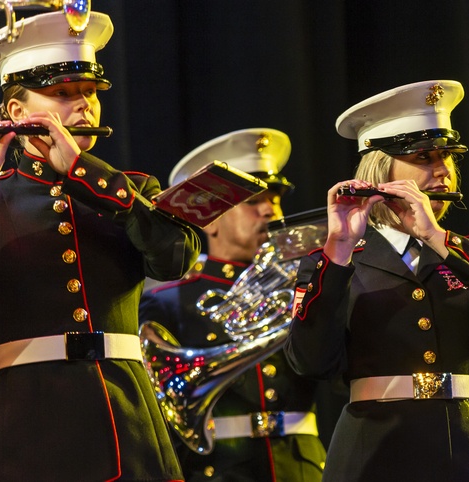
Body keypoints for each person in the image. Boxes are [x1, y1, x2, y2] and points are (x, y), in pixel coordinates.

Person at [0, 10, 201, 480]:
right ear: (18, 113)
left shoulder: (130, 188)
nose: (83, 105)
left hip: (125, 421)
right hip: (22, 428)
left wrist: (88, 176)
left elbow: (175, 259)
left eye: (89, 93)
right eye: (62, 94)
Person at [283, 80, 469, 481]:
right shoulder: (335, 260)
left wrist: (438, 240)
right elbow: (310, 361)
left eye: (447, 157)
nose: (443, 170)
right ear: (380, 171)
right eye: (424, 157)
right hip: (375, 452)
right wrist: (337, 249)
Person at [140, 128, 328, 482]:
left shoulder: (309, 283)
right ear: (210, 218)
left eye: (275, 199)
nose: (270, 210)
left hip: (300, 465)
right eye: (253, 201)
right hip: (220, 468)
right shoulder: (166, 300)